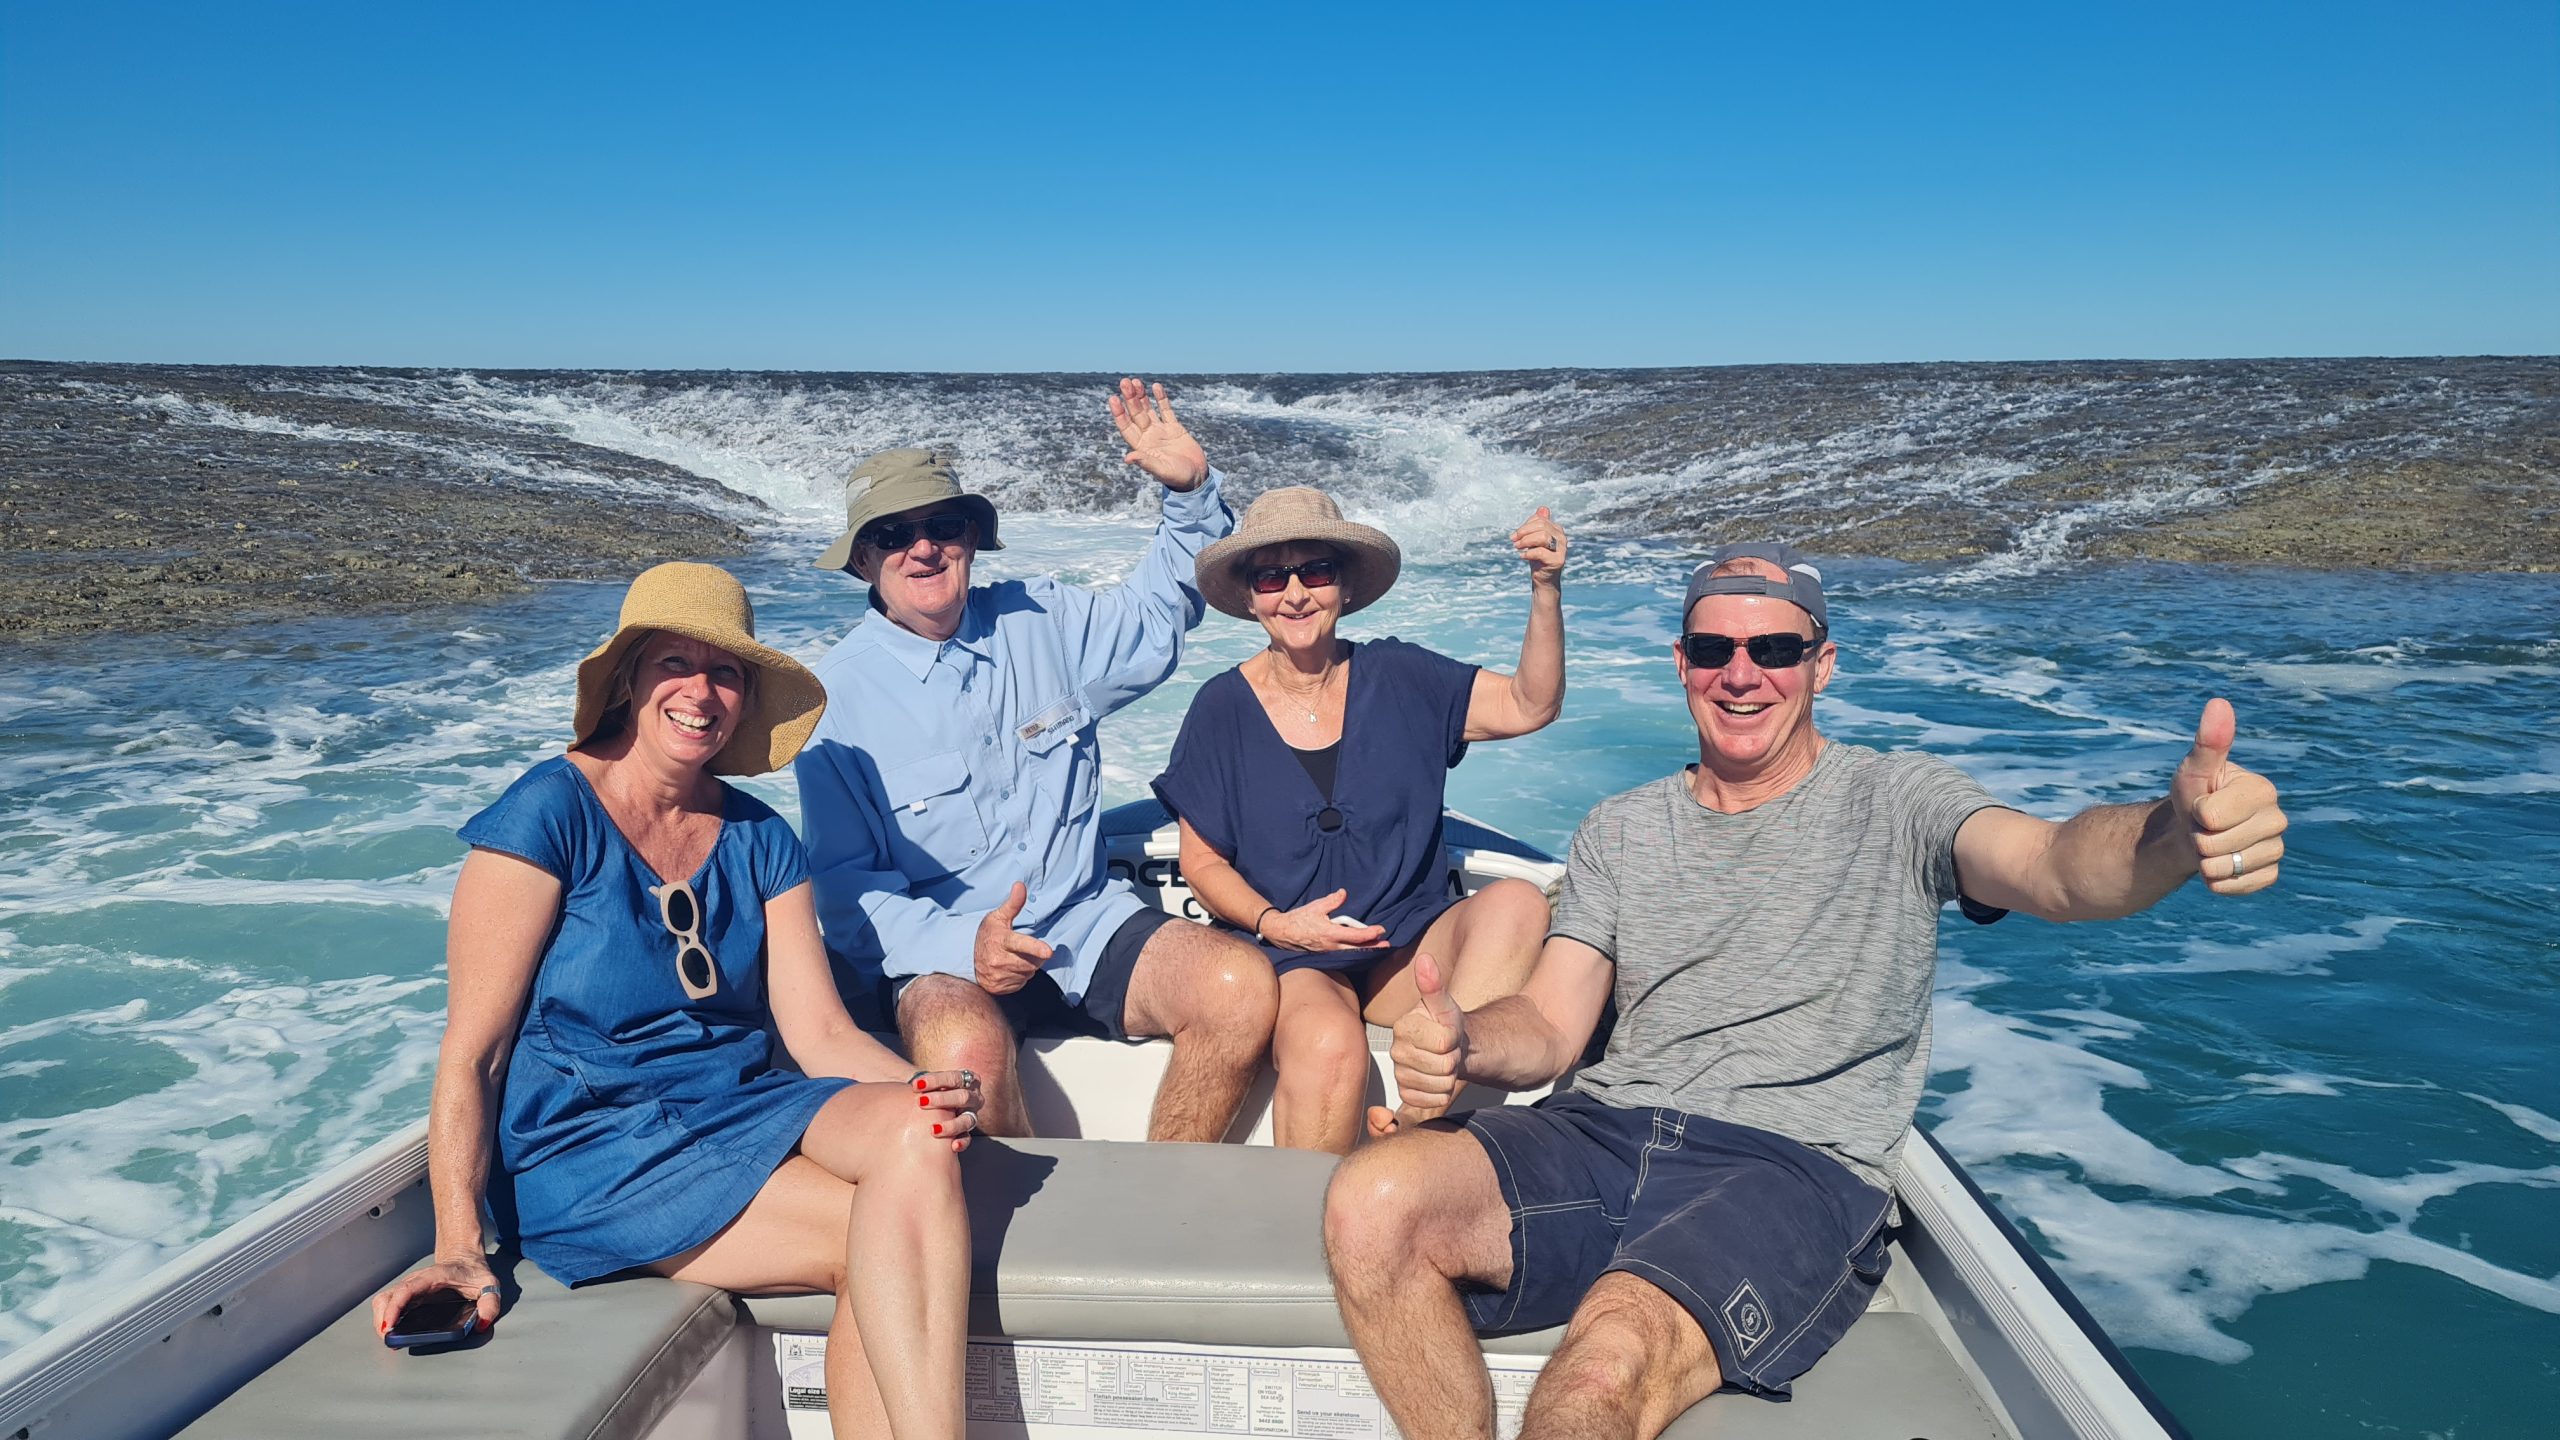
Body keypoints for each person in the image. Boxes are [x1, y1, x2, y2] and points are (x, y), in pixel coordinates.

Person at [1322, 543, 2289, 1440]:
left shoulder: (1900, 800)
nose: (1742, 674)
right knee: (1373, 1198)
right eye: (1715, 648)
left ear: (1821, 665)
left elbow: (2055, 868)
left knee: (1604, 1361)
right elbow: (1547, 1024)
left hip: (1789, 1162)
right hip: (1609, 1129)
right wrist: (1463, 1040)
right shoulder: (1619, 828)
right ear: (1682, 661)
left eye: (1775, 647)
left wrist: (2171, 833)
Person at [369, 563, 984, 1440]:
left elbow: (820, 1033)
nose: (701, 692)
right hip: (596, 1146)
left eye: (725, 673)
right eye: (674, 665)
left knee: (920, 1133)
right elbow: (475, 1052)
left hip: (741, 1110)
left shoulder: (759, 835)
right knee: (889, 1245)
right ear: (628, 679)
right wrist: (460, 1246)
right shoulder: (549, 813)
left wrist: (935, 1095)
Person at [796, 379, 1277, 1143]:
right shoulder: (830, 705)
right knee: (964, 1050)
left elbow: (1160, 615)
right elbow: (850, 898)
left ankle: (1155, 1220)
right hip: (947, 959)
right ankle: (1025, 1251)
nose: (923, 548)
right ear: (862, 561)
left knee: (1239, 987)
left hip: (1084, 924)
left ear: (970, 538)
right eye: (893, 535)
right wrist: (968, 949)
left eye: (943, 525)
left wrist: (1189, 495)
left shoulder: (1044, 619)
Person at [1150, 487, 1567, 1153]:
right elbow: (1202, 863)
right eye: (1270, 577)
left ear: (1343, 587)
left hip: (1406, 948)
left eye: (1314, 571)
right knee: (1327, 1044)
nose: (1294, 593)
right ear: (1251, 598)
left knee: (1517, 904)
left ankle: (1418, 1127)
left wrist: (1545, 588)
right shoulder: (1219, 709)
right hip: (1290, 953)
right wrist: (1274, 923)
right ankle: (1295, 1236)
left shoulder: (1402, 676)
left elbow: (1529, 703)